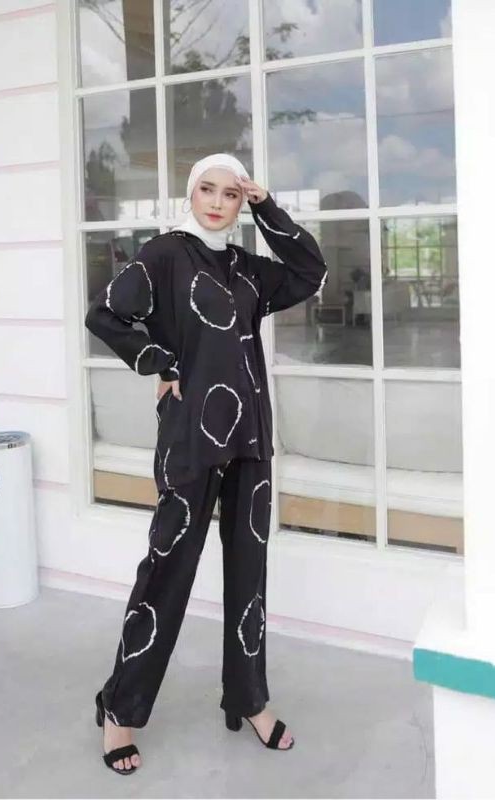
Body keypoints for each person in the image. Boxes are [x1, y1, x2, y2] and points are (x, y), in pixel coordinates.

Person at [84, 153, 328, 775]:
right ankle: (120, 708)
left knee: (249, 573)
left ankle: (249, 699)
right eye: (207, 190)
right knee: (168, 571)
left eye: (230, 194)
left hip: (249, 435)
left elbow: (310, 270)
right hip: (191, 437)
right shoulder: (166, 254)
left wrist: (268, 207)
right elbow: (104, 313)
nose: (217, 203)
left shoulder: (247, 268)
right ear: (190, 194)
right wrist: (157, 361)